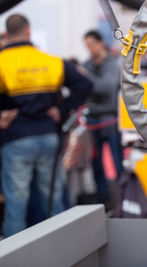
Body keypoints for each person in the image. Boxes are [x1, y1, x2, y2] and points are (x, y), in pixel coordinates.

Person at [0, 14, 93, 237]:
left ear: (7, 34)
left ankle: (15, 256)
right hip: (47, 137)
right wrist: (61, 110)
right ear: (28, 32)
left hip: (15, 139)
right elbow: (85, 84)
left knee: (16, 202)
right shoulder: (51, 61)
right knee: (53, 197)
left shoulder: (2, 62)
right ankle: (63, 247)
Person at [82, 30, 123, 201]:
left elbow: (106, 88)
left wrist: (85, 76)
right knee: (96, 164)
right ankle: (103, 199)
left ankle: (122, 198)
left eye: (92, 44)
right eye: (87, 46)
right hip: (92, 120)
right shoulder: (87, 65)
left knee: (117, 162)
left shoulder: (112, 65)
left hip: (110, 120)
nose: (90, 49)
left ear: (101, 43)